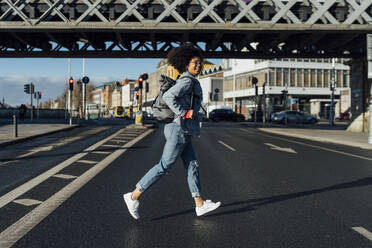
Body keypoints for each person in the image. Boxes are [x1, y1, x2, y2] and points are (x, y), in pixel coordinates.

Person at [123, 44, 221, 220]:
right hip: (178, 129)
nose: (198, 66)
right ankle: (133, 196)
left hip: (184, 130)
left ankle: (200, 204)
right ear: (186, 64)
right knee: (164, 166)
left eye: (199, 63)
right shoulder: (187, 81)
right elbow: (169, 97)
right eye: (194, 63)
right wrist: (184, 112)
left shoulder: (190, 80)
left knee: (193, 165)